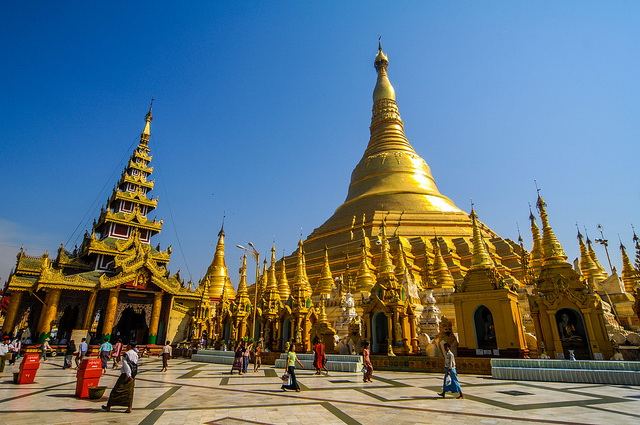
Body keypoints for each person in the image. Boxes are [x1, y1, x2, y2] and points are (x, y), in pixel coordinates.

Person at [102, 341, 139, 414]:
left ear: (129, 346)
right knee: (129, 391)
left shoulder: (126, 354)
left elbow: (126, 365)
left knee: (116, 390)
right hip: (133, 374)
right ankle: (129, 407)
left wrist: (129, 375)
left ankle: (109, 406)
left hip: (126, 374)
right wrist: (132, 374)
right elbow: (135, 364)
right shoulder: (135, 354)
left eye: (127, 345)